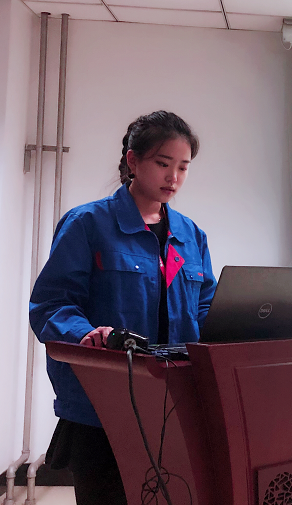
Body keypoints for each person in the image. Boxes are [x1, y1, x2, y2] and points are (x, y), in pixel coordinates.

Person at [29, 111, 217, 505]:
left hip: (174, 404)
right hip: (102, 404)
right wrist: (85, 333)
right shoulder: (88, 224)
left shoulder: (190, 235)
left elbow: (204, 308)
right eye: (163, 163)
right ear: (133, 161)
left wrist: (242, 327)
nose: (174, 177)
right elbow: (51, 305)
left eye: (183, 167)